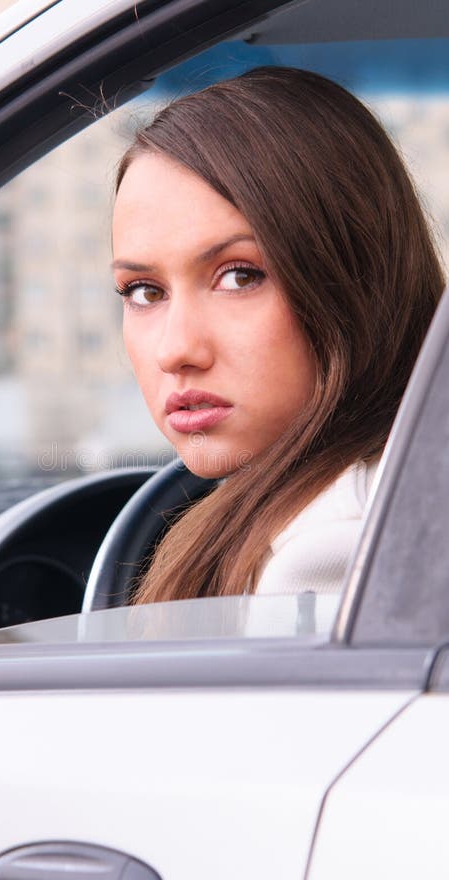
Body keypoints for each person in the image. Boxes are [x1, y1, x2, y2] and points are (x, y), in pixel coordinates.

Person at [111, 66, 445, 605]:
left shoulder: (332, 554)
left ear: (355, 279)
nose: (175, 351)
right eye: (145, 291)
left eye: (240, 276)